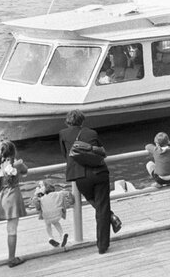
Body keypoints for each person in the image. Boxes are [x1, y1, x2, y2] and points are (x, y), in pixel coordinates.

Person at [59, 109, 121, 254]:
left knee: (94, 202)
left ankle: (111, 216)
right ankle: (102, 246)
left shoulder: (63, 134)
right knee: (102, 207)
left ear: (68, 121)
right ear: (82, 120)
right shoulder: (92, 133)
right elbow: (101, 151)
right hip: (99, 172)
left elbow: (65, 155)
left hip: (80, 175)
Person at [33, 180, 74, 248]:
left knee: (47, 223)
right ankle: (62, 234)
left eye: (41, 186)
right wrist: (71, 202)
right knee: (55, 222)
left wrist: (36, 194)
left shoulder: (41, 199)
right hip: (58, 215)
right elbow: (68, 193)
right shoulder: (59, 194)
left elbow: (36, 205)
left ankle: (50, 237)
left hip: (47, 217)